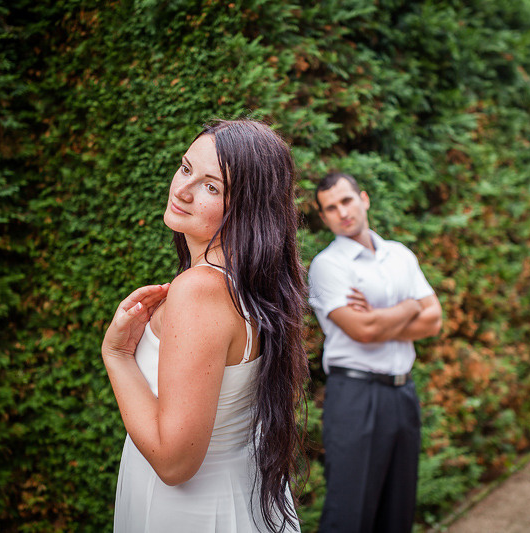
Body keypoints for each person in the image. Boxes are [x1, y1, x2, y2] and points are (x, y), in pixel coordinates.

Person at [101, 119, 308, 532]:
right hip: (237, 495)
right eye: (185, 168)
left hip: (191, 513)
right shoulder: (249, 283)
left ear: (245, 208)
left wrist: (118, 355)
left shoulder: (200, 289)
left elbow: (174, 461)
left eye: (211, 187)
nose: (182, 189)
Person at [308, 172, 442, 533]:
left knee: (397, 515)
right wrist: (410, 305)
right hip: (355, 397)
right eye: (331, 208)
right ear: (324, 218)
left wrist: (382, 317)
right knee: (349, 517)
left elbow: (434, 321)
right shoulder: (328, 266)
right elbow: (363, 331)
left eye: (346, 200)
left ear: (363, 199)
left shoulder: (399, 255)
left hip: (403, 394)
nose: (342, 212)